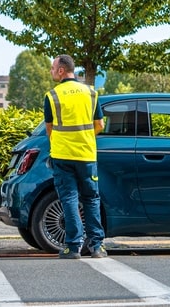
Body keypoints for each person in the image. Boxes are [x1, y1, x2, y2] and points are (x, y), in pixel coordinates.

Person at [44, 54, 106, 259]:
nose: (52, 71)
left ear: (62, 70)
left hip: (62, 156)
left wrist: (63, 142)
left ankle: (73, 247)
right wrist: (84, 137)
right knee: (91, 199)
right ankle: (97, 247)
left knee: (69, 199)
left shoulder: (52, 96)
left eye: (53, 68)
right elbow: (100, 125)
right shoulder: (90, 93)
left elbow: (49, 130)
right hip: (86, 155)